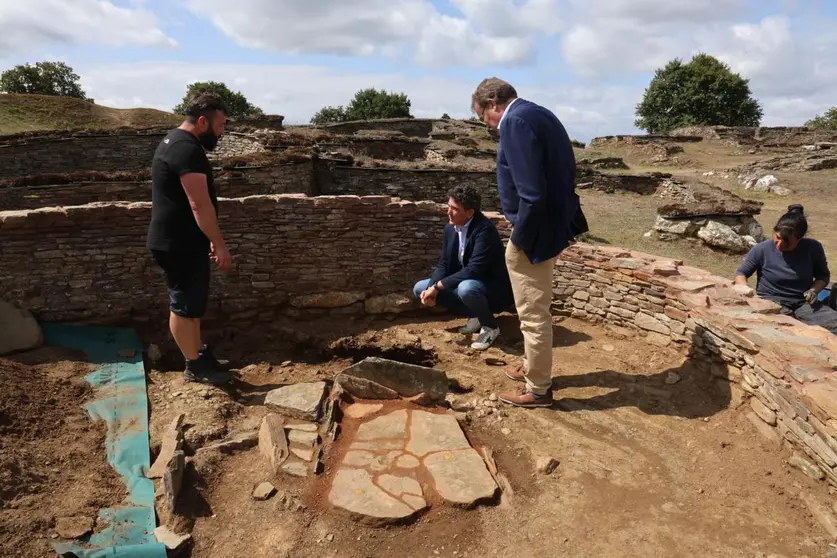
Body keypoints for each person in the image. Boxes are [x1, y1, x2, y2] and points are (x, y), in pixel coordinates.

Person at [471, 77, 580, 408]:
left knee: (532, 314)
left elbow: (532, 193)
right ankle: (533, 369)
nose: (488, 126)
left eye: (483, 117)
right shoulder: (538, 114)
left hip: (534, 234)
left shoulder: (514, 122)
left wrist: (519, 238)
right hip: (551, 227)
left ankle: (538, 390)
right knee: (535, 309)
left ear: (493, 105)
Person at [146, 92, 233, 385]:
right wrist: (219, 243)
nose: (222, 132)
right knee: (183, 305)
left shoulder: (176, 141)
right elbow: (199, 204)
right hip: (177, 243)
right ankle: (193, 366)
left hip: (182, 240)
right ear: (202, 121)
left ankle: (197, 355)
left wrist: (206, 237)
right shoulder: (187, 150)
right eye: (220, 125)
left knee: (193, 303)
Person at [413, 184, 514, 350]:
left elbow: (474, 269)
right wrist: (432, 288)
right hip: (467, 284)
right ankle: (474, 315)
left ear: (470, 212)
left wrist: (438, 286)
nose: (448, 212)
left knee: (466, 288)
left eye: (454, 209)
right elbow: (444, 263)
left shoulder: (484, 230)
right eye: (448, 206)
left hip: (493, 290)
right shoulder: (450, 229)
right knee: (420, 288)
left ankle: (490, 327)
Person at [735, 204, 837, 334]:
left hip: (803, 304)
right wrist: (746, 290)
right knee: (784, 331)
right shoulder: (762, 249)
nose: (779, 244)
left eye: (786, 243)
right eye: (777, 238)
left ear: (800, 239)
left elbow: (823, 277)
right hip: (771, 302)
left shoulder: (813, 248)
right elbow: (741, 273)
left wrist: (813, 290)